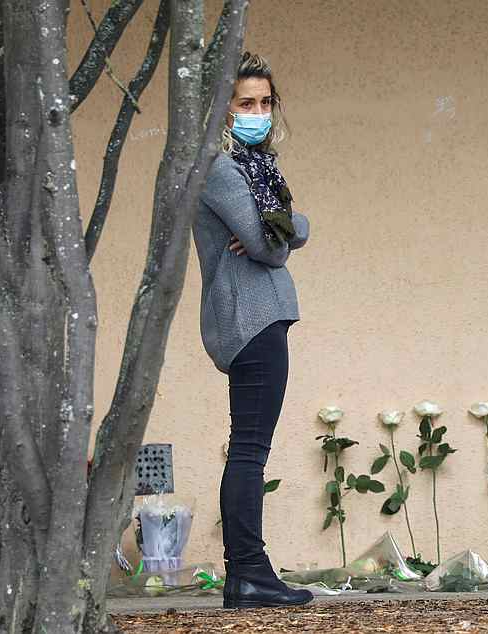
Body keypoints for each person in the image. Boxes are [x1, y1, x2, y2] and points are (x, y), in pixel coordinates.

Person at [193, 51, 313, 609]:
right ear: (223, 109)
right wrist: (280, 235)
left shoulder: (258, 169)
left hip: (260, 315)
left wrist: (284, 230)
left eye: (265, 102)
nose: (258, 113)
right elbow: (270, 244)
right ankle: (247, 573)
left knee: (248, 447)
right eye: (246, 103)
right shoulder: (221, 168)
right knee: (249, 449)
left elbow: (283, 228)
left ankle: (248, 574)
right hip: (249, 317)